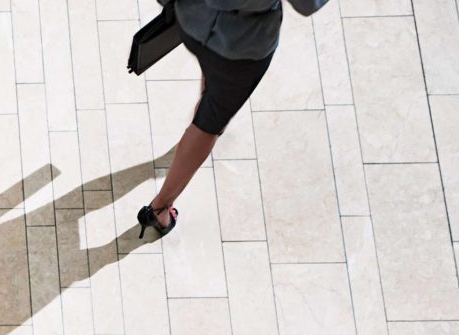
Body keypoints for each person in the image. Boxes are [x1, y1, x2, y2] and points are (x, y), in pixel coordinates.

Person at [138, 0, 329, 237]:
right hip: (242, 47)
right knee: (209, 124)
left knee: (213, 76)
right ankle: (159, 208)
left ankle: (210, 97)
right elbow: (308, 5)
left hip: (191, 19)